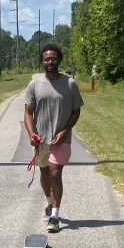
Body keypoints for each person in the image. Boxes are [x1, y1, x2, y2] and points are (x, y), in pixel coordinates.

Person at [23, 44, 83, 232]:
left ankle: (55, 216)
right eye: (47, 59)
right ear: (42, 61)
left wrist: (64, 132)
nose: (50, 61)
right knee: (44, 173)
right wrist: (31, 133)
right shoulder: (34, 84)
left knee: (56, 172)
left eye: (54, 58)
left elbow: (76, 112)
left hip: (61, 139)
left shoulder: (70, 84)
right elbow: (28, 113)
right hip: (41, 140)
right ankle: (49, 202)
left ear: (59, 60)